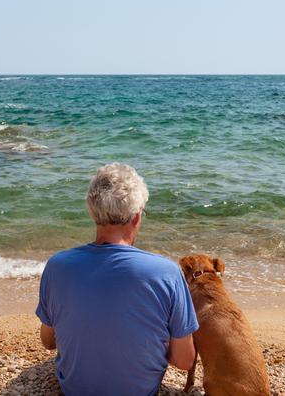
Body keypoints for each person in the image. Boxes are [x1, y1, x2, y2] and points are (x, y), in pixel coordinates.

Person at [36, 163, 198, 395]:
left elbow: (48, 341)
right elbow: (184, 361)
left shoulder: (57, 266)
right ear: (137, 217)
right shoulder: (167, 273)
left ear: (92, 212)